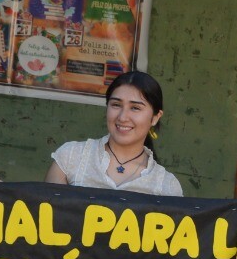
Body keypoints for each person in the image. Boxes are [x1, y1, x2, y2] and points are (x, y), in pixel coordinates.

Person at [46, 71, 183, 195]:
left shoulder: (167, 186)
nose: (123, 117)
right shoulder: (71, 157)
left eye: (135, 108)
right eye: (116, 105)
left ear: (155, 117)